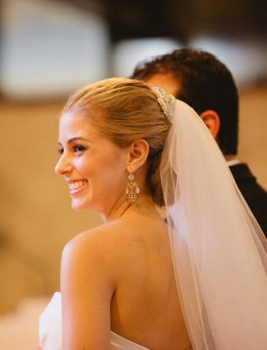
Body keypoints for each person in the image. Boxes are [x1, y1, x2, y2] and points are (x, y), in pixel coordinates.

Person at [38, 78, 267, 349]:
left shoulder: (88, 252)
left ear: (135, 154)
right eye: (61, 149)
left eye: (78, 148)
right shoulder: (186, 251)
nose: (60, 166)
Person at [130, 48, 267, 236]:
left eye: (154, 118)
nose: (140, 138)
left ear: (206, 127)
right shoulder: (167, 225)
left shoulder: (255, 217)